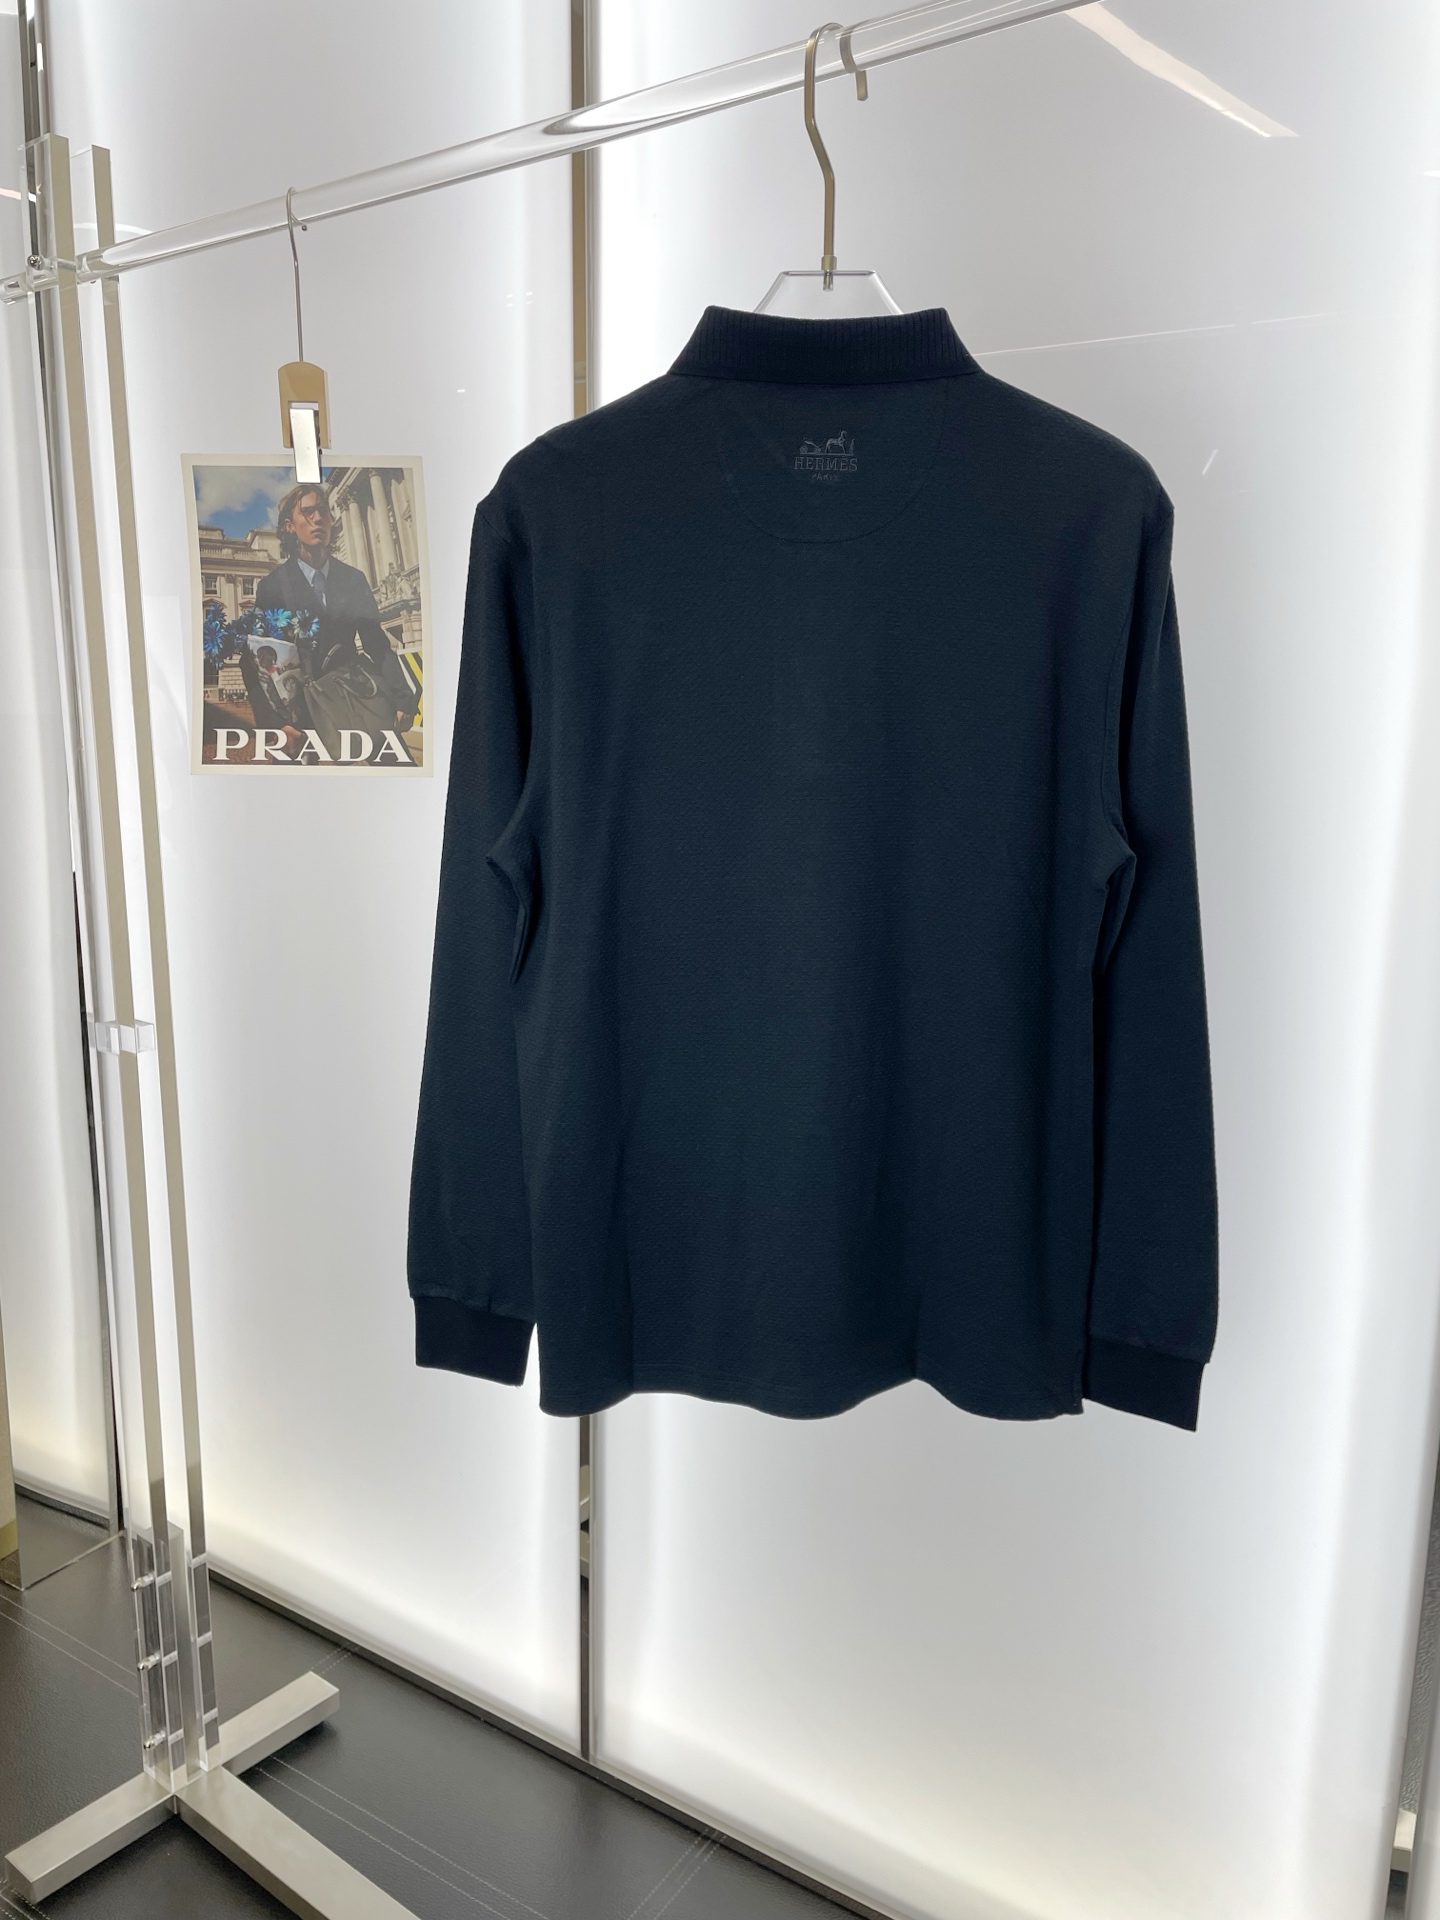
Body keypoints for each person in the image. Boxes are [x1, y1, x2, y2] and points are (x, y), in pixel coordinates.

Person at [254, 483, 417, 755]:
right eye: (308, 512)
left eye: (323, 511)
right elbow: (257, 660)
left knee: (397, 767)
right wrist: (275, 724)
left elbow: (377, 644)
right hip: (299, 714)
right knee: (293, 780)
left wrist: (403, 698)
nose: (318, 518)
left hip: (356, 696)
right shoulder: (272, 586)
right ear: (289, 526)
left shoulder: (354, 579)